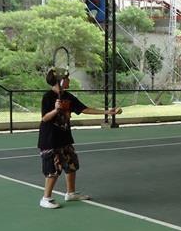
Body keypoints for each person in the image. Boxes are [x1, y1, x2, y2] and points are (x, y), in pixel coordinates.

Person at [37, 68, 122, 209]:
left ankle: (71, 193)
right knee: (53, 170)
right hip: (50, 140)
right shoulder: (48, 97)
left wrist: (108, 112)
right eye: (67, 78)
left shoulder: (68, 96)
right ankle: (46, 198)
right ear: (61, 81)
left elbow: (84, 109)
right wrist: (55, 109)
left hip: (65, 138)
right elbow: (45, 118)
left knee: (71, 165)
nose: (69, 80)